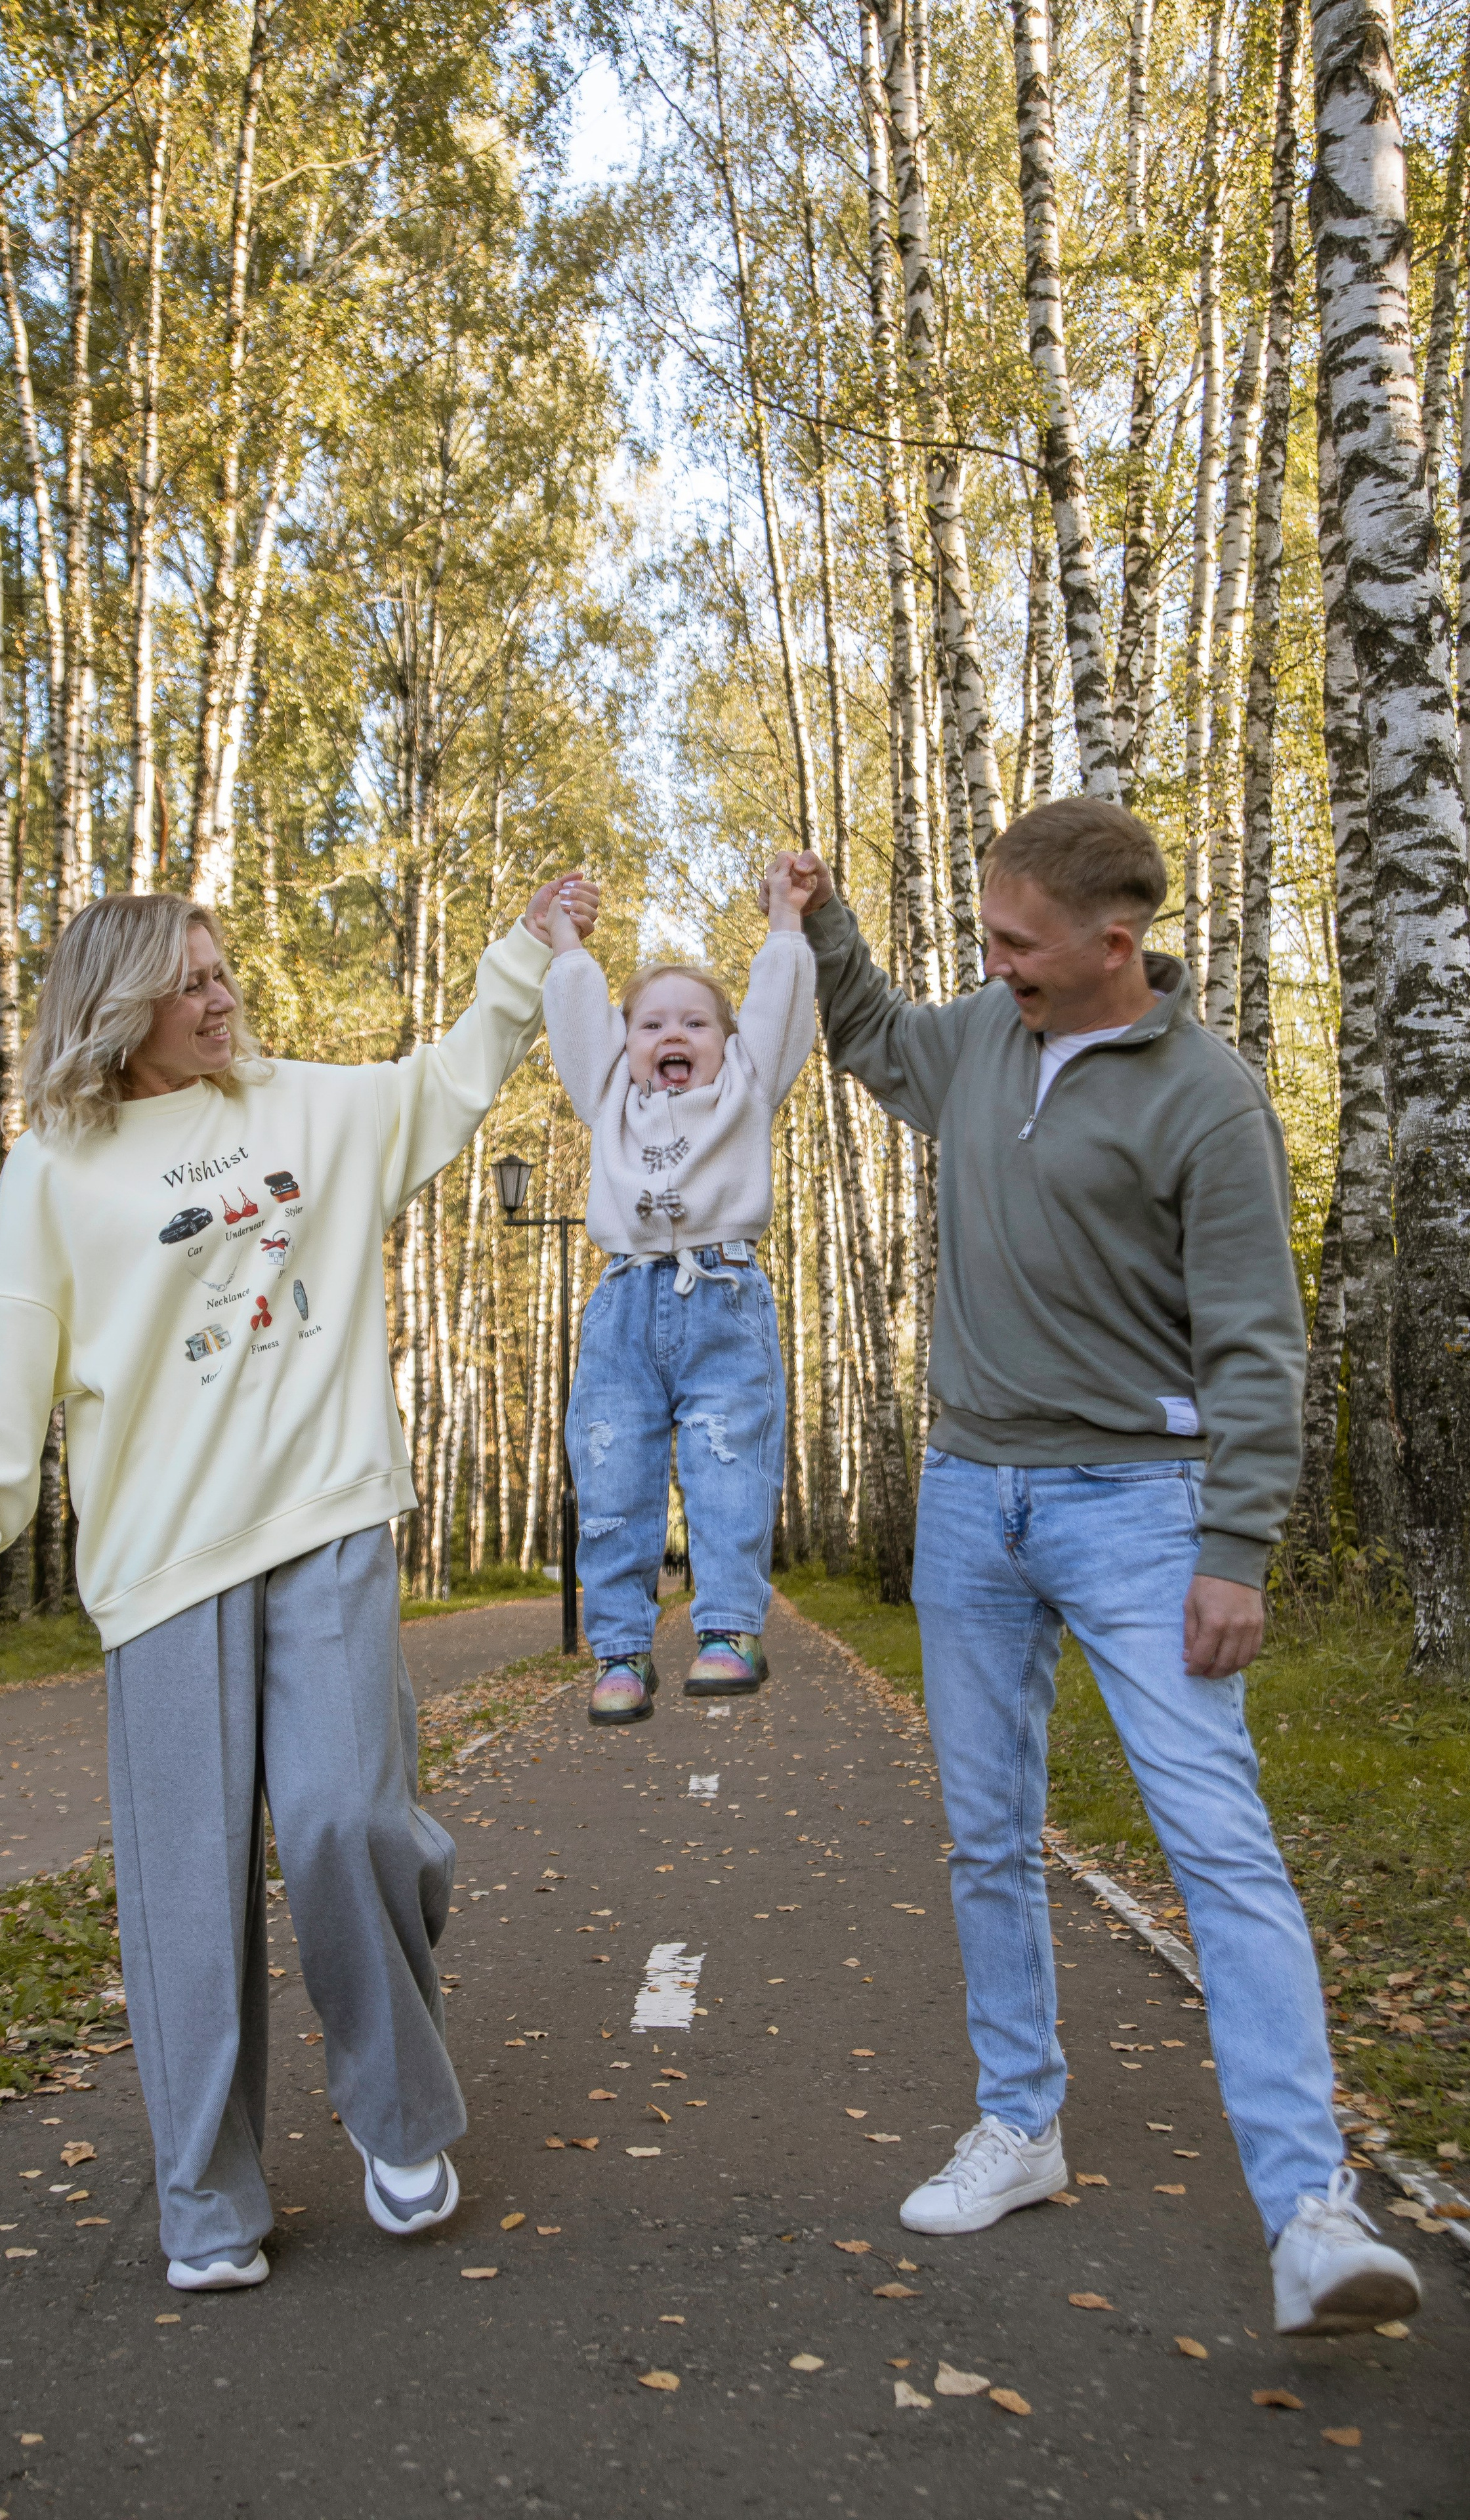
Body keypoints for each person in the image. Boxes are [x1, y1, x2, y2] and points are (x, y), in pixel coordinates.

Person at [782, 799, 1420, 2338]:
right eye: (985, 939)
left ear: (1110, 945)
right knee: (985, 1835)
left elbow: (1257, 1350)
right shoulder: (985, 1042)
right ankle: (1021, 2124)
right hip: (966, 1496)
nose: (990, 963)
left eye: (1013, 941)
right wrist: (821, 924)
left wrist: (1233, 1550)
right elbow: (872, 1034)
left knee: (1217, 1844)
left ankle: (1308, 2208)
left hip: (1138, 1509)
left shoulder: (1207, 1104)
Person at [0, 875, 595, 2293]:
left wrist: (522, 955)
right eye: (192, 983)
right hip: (163, 1564)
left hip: (327, 1518)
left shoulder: (306, 1111)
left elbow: (449, 1080)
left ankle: (399, 2120)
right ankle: (207, 2203)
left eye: (224, 972)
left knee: (349, 1821)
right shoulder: (61, 1163)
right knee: (186, 1897)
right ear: (119, 1012)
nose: (224, 998)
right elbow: (10, 1349)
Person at [542, 862, 815, 1723]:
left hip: (723, 1296)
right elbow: (580, 1019)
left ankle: (729, 1634)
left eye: (696, 1021)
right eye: (652, 1022)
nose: (674, 1033)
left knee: (729, 1468)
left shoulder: (746, 1089)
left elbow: (777, 1007)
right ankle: (620, 1653)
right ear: (626, 1045)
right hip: (623, 1304)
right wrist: (563, 944)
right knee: (612, 1472)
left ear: (729, 1045)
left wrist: (785, 922)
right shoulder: (608, 1098)